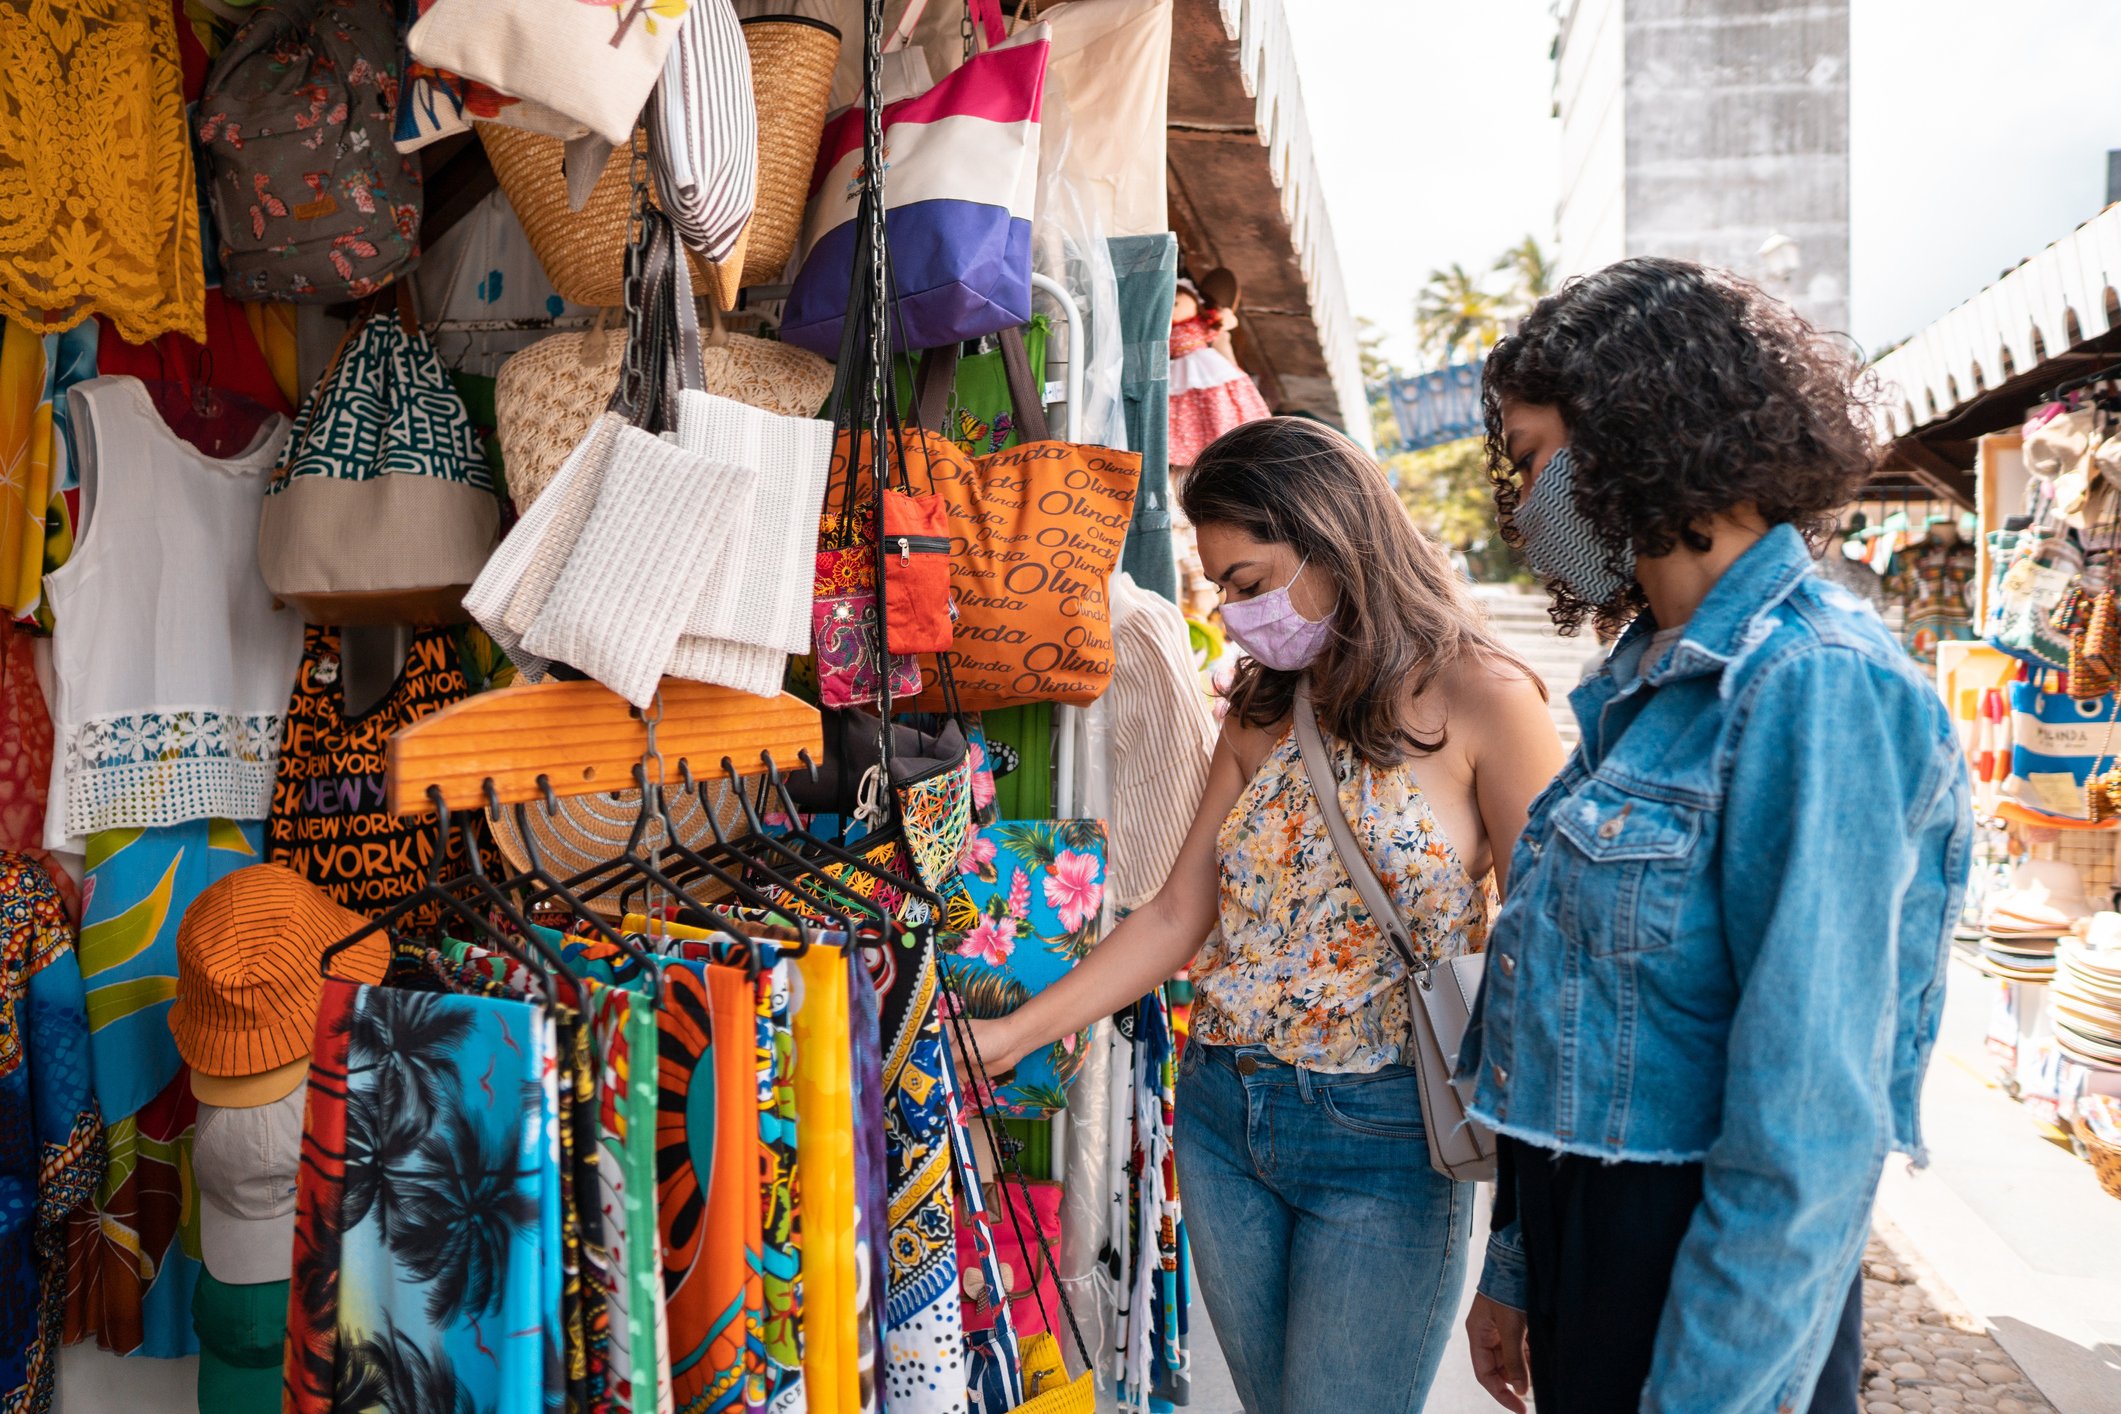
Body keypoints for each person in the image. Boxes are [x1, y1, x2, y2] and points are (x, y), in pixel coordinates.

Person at [960, 416, 1566, 1414]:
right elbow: (1172, 917)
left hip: (1389, 1136)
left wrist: (1522, 1245)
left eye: (1250, 582)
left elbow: (1544, 965)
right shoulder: (1264, 708)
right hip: (1225, 1113)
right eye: (1223, 591)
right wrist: (1011, 1037)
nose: (1237, 616)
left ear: (1333, 538)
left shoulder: (1489, 698)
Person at [1459, 258, 1972, 1414]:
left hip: (1706, 1297)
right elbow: (1575, 1014)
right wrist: (1518, 1262)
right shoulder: (1642, 674)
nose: (1525, 499)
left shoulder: (1815, 685)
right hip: (1593, 1255)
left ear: (1636, 433)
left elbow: (1807, 1134)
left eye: (1537, 456)